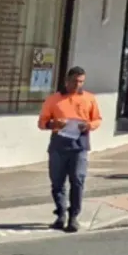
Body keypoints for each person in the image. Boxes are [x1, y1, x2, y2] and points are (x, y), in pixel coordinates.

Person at [37, 67, 102, 233]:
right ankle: (60, 214)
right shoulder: (54, 99)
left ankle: (74, 216)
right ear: (67, 81)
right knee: (57, 182)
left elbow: (97, 120)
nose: (77, 84)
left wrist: (88, 125)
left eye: (81, 81)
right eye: (74, 81)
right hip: (59, 144)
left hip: (79, 144)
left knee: (78, 180)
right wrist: (54, 124)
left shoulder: (89, 99)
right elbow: (42, 122)